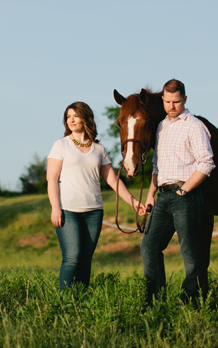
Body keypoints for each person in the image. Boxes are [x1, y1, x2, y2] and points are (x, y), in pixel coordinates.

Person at [47, 101, 147, 291]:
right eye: (68, 117)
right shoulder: (61, 145)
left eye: (75, 115)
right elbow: (51, 179)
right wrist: (55, 208)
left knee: (85, 259)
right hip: (68, 210)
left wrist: (134, 202)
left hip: (94, 211)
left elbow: (113, 181)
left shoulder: (98, 149)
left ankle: (82, 301)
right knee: (72, 257)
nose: (71, 120)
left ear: (86, 118)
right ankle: (65, 304)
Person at [141, 79, 215, 307]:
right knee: (149, 246)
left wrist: (185, 190)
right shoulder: (162, 126)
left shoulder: (194, 125)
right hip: (162, 195)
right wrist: (151, 194)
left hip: (185, 196)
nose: (171, 106)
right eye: (167, 101)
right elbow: (156, 165)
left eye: (176, 101)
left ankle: (191, 301)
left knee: (190, 251)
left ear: (184, 99)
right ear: (162, 100)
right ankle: (154, 299)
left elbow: (206, 162)